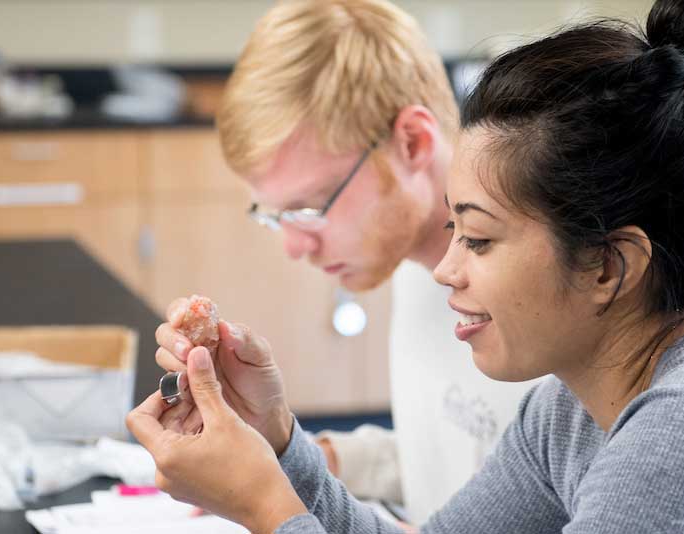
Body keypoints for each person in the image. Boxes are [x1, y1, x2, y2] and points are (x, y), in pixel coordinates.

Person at [127, 0, 684, 532]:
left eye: (481, 241)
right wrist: (280, 444)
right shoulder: (570, 404)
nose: (447, 271)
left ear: (608, 266)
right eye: (455, 233)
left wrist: (267, 508)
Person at [153, 0, 537, 522]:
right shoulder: (412, 267)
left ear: (412, 142)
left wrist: (266, 499)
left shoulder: (544, 304)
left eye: (310, 207)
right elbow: (460, 460)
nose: (294, 246)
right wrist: (288, 450)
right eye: (275, 215)